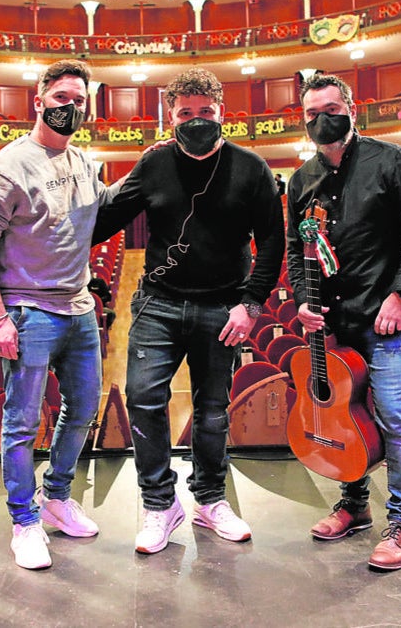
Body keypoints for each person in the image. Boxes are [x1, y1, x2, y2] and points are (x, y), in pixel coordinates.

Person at [94, 67, 284, 555]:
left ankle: (209, 499)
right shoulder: (154, 165)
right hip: (158, 304)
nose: (196, 120)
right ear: (169, 118)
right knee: (142, 398)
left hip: (224, 307)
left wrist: (250, 304)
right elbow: (103, 221)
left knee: (213, 411)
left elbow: (271, 243)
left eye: (205, 112)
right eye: (185, 113)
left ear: (223, 114)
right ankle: (159, 505)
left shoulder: (251, 167)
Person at [285, 73, 401, 571]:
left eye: (330, 108)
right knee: (342, 415)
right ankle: (353, 506)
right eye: (311, 113)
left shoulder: (393, 162)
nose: (321, 119)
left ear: (352, 107)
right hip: (332, 322)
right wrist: (305, 302)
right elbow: (297, 249)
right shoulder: (302, 179)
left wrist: (400, 296)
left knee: (394, 417)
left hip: (384, 318)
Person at [0, 59, 110, 570]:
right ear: (40, 100)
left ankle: (56, 496)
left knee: (85, 407)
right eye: (62, 98)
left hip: (79, 307)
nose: (71, 107)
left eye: (79, 100)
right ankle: (24, 521)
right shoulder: (9, 164)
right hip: (29, 311)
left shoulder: (84, 163)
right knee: (22, 422)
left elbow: (103, 213)